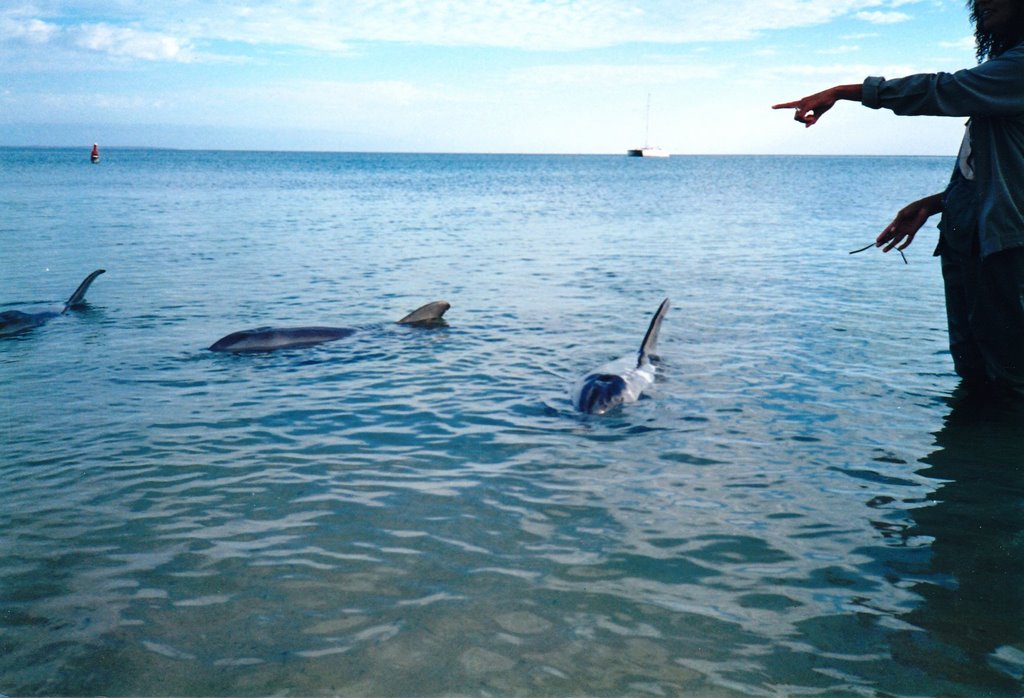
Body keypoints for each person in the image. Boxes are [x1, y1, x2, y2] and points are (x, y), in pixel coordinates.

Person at [773, 0, 1024, 395]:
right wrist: (934, 203)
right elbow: (995, 170)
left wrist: (846, 91)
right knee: (974, 375)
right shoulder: (1002, 66)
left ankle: (993, 452)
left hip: (1005, 246)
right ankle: (967, 453)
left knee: (1008, 381)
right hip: (969, 237)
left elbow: (943, 90)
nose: (984, 2)